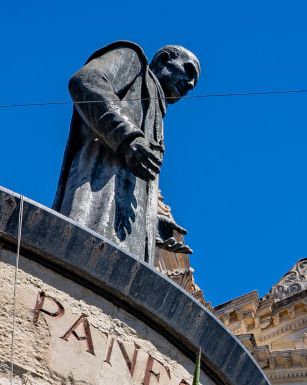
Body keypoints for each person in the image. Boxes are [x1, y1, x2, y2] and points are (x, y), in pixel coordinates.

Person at [53, 42, 200, 262]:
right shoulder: (133, 61)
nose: (190, 84)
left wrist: (148, 221)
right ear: (164, 60)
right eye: (188, 71)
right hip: (94, 206)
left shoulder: (156, 113)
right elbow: (85, 80)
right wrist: (128, 137)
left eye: (194, 83)